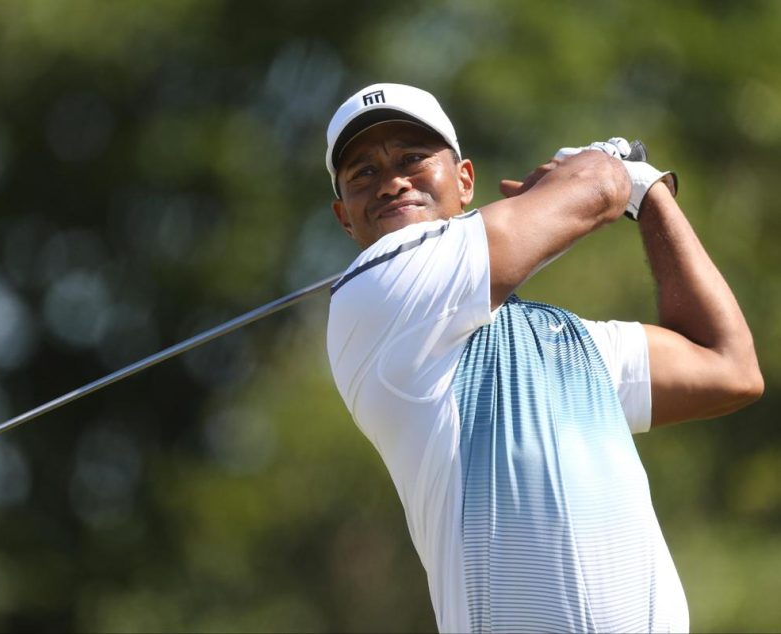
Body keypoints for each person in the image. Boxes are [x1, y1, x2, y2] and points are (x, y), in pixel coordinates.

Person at [324, 83, 763, 633]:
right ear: (346, 218)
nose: (391, 181)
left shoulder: (570, 341)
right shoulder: (373, 297)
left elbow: (729, 367)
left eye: (412, 158)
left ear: (465, 181)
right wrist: (608, 170)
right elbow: (599, 187)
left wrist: (649, 197)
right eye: (363, 173)